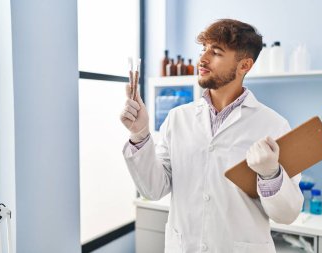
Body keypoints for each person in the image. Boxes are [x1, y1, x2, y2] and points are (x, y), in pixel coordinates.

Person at [121, 19, 303, 253]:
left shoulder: (274, 125)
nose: (203, 60)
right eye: (203, 50)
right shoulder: (178, 118)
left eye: (215, 52)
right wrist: (139, 134)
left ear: (244, 65)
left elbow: (287, 215)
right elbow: (152, 190)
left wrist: (271, 174)